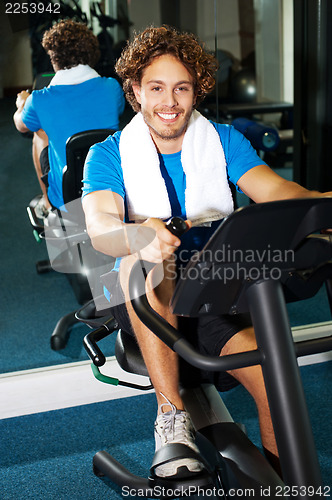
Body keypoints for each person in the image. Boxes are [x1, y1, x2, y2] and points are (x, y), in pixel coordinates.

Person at [81, 25, 332, 480]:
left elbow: (278, 191)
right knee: (146, 260)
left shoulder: (223, 141)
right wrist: (137, 236)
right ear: (135, 91)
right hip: (148, 300)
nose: (170, 102)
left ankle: (286, 485)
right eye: (156, 88)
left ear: (197, 89)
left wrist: (322, 204)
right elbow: (101, 228)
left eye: (181, 87)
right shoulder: (108, 154)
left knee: (278, 387)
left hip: (217, 289)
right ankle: (171, 416)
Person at [13, 19, 125, 216]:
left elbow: (21, 125)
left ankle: (48, 204)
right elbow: (115, 111)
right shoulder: (112, 88)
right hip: (113, 188)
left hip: (68, 198)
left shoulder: (38, 100)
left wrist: (21, 104)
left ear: (53, 58)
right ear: (91, 54)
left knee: (38, 132)